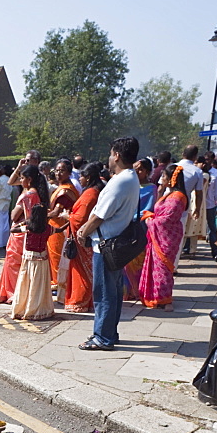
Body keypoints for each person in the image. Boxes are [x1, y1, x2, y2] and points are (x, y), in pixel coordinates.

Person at [76, 137, 141, 351]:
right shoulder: (131, 178)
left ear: (117, 155)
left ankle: (102, 338)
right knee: (112, 293)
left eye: (111, 153)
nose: (109, 158)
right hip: (115, 243)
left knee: (103, 294)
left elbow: (100, 215)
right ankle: (109, 333)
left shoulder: (120, 181)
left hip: (105, 245)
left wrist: (84, 230)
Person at [138, 163, 188, 309]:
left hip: (167, 236)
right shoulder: (170, 194)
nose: (161, 178)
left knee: (163, 268)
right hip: (160, 234)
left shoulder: (178, 197)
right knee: (156, 266)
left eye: (164, 176)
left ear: (171, 179)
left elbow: (167, 219)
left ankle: (166, 300)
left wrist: (150, 220)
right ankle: (155, 295)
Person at [0, 164, 49, 304]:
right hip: (33, 232)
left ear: (29, 179)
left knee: (14, 264)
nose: (20, 180)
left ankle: (13, 293)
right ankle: (24, 294)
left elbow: (14, 216)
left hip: (20, 233)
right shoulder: (39, 193)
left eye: (22, 178)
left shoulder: (27, 195)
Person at [62, 163, 103, 313]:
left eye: (81, 176)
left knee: (81, 271)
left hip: (83, 237)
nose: (79, 178)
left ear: (89, 177)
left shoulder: (90, 194)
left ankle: (80, 301)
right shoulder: (95, 191)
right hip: (90, 236)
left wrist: (68, 216)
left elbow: (80, 219)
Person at [10, 204, 53, 321]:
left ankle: (23, 309)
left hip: (29, 260)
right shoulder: (48, 228)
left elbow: (13, 230)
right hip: (42, 260)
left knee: (26, 284)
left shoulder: (29, 226)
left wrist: (23, 222)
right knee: (39, 286)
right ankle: (37, 309)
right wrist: (67, 223)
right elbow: (59, 230)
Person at [123, 158, 156, 301]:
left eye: (141, 169)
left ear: (147, 172)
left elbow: (148, 209)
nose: (137, 172)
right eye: (135, 168)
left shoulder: (151, 188)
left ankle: (138, 290)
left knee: (138, 260)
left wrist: (133, 216)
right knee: (125, 260)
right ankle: (126, 290)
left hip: (140, 227)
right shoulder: (129, 185)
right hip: (125, 225)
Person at [47, 159, 79, 286]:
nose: (58, 174)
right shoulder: (62, 187)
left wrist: (39, 216)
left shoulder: (65, 191)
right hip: (56, 226)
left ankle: (58, 283)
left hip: (60, 228)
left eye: (62, 171)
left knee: (57, 257)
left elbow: (56, 212)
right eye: (57, 171)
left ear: (69, 172)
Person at [175, 145, 204, 264]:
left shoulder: (173, 167)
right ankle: (173, 267)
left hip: (165, 204)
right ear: (195, 157)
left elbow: (161, 187)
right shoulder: (197, 171)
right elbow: (199, 193)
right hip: (182, 206)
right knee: (178, 237)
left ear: (182, 153)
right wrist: (197, 209)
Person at [204, 153, 217, 259]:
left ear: (212, 160)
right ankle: (188, 248)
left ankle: (215, 251)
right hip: (198, 205)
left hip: (210, 204)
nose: (206, 161)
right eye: (205, 159)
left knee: (212, 229)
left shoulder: (216, 173)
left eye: (208, 159)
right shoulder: (199, 172)